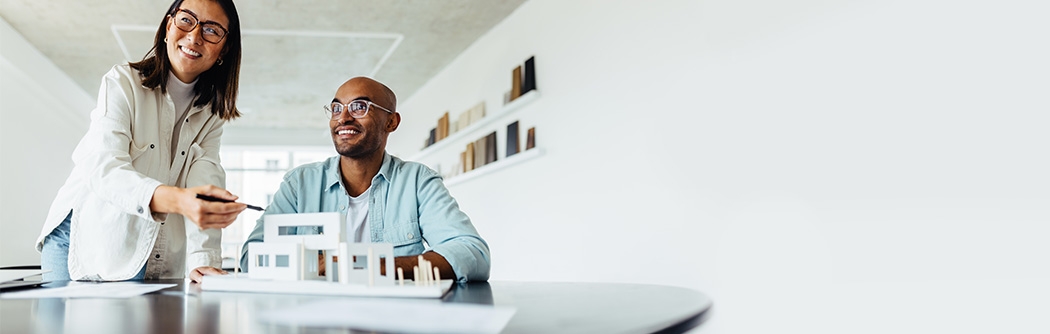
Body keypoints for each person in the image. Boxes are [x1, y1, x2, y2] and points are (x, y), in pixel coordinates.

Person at [36, 0, 247, 283]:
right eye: (187, 20)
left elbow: (204, 179)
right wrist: (179, 200)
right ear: (168, 26)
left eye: (212, 30)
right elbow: (104, 168)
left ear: (225, 48)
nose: (195, 36)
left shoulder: (212, 114)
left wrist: (204, 260)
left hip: (145, 243)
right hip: (81, 237)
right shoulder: (122, 82)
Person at [240, 77, 490, 282]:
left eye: (360, 107)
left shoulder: (417, 181)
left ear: (391, 122)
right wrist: (309, 264)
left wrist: (364, 264)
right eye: (337, 108)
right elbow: (251, 256)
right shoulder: (300, 184)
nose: (343, 118)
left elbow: (473, 254)